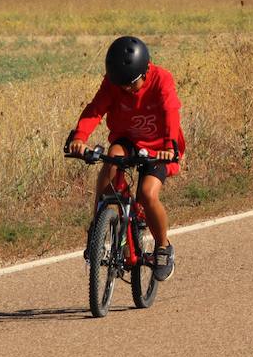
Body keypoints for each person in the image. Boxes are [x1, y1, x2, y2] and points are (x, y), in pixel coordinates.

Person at [67, 36, 182, 280]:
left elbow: (170, 111)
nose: (127, 90)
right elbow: (95, 109)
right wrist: (79, 138)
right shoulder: (114, 84)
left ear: (146, 69)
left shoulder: (161, 79)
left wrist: (170, 146)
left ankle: (163, 247)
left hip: (160, 146)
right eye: (122, 86)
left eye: (132, 85)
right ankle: (98, 227)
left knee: (147, 194)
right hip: (127, 140)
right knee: (111, 158)